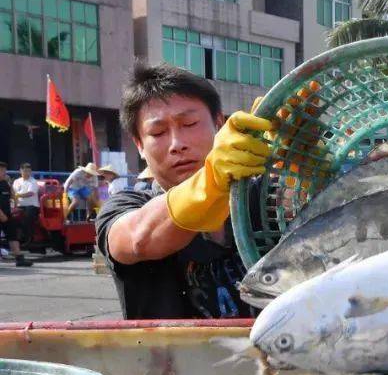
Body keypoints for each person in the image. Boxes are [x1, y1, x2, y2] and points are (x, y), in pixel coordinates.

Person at [96, 63, 271, 319]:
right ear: (140, 146)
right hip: (175, 359)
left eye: (189, 124)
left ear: (219, 124)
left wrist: (304, 151)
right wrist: (209, 182)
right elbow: (137, 239)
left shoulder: (264, 198)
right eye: (158, 132)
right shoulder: (125, 205)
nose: (177, 144)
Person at [11, 162, 39, 268]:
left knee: (27, 218)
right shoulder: (17, 181)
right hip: (18, 206)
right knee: (11, 219)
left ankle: (27, 238)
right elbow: (13, 192)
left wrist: (18, 195)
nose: (27, 172)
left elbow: (30, 193)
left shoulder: (33, 181)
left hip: (31, 206)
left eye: (28, 171)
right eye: (24, 170)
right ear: (20, 171)